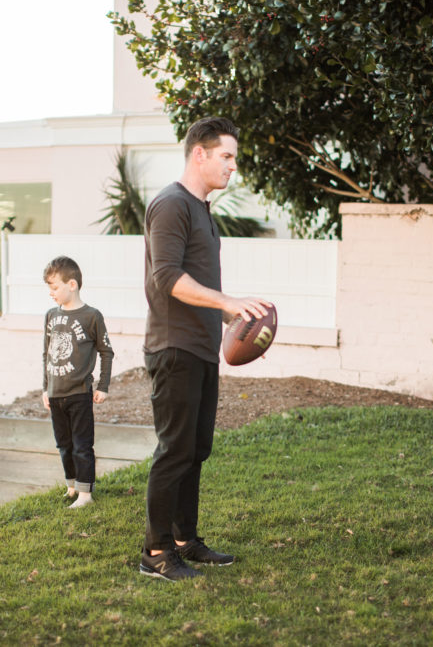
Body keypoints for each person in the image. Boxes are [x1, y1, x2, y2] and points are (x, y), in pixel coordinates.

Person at [139, 116, 270, 581]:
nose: (233, 166)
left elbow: (198, 285)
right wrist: (227, 301)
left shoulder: (201, 210)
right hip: (173, 347)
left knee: (196, 449)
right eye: (226, 156)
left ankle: (184, 540)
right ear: (200, 154)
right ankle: (155, 553)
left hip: (201, 347)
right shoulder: (171, 204)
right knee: (174, 450)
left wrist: (236, 320)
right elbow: (167, 278)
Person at [41, 256, 113, 509]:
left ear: (72, 284)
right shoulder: (51, 315)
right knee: (64, 444)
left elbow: (106, 351)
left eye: (54, 287)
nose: (51, 293)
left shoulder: (92, 316)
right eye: (49, 288)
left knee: (82, 445)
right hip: (55, 393)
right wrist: (45, 387)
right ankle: (71, 485)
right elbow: (46, 353)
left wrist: (103, 386)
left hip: (79, 393)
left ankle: (85, 494)